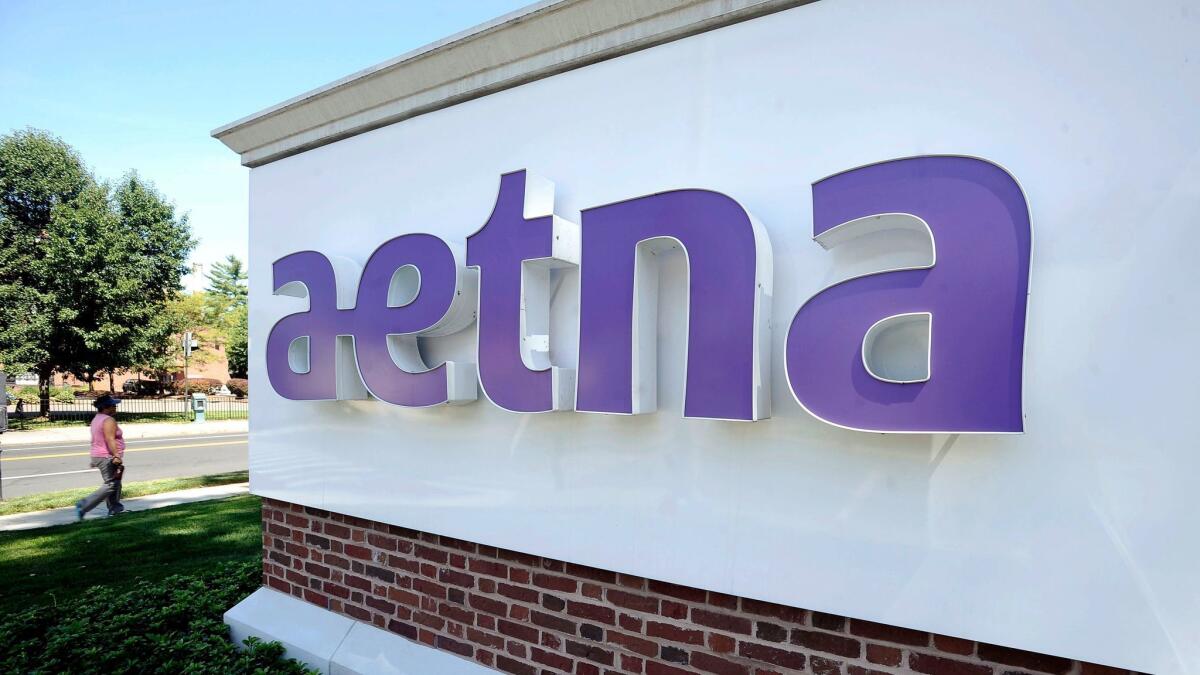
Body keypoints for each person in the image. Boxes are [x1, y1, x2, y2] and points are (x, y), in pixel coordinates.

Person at [75, 394, 126, 520]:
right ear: (106, 407)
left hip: (100, 455)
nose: (115, 407)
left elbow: (96, 439)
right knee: (111, 484)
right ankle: (84, 505)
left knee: (116, 484)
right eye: (113, 405)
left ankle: (115, 509)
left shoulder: (97, 418)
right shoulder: (108, 420)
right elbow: (110, 439)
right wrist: (116, 455)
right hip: (107, 456)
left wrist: (95, 458)